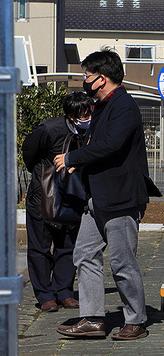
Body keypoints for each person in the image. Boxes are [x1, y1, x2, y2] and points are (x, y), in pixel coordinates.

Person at [53, 48, 160, 340]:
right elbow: (99, 147)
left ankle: (135, 320)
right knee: (85, 254)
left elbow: (111, 145)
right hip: (97, 197)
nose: (84, 80)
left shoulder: (124, 105)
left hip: (121, 197)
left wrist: (74, 159)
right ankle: (93, 319)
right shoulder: (101, 106)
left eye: (87, 76)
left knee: (122, 261)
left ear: (101, 79)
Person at [21, 91, 93, 313]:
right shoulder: (49, 129)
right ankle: (44, 295)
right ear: (71, 116)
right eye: (83, 114)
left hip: (74, 194)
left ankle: (64, 291)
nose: (88, 117)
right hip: (45, 192)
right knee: (40, 246)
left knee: (68, 244)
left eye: (90, 112)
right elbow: (29, 154)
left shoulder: (92, 130)